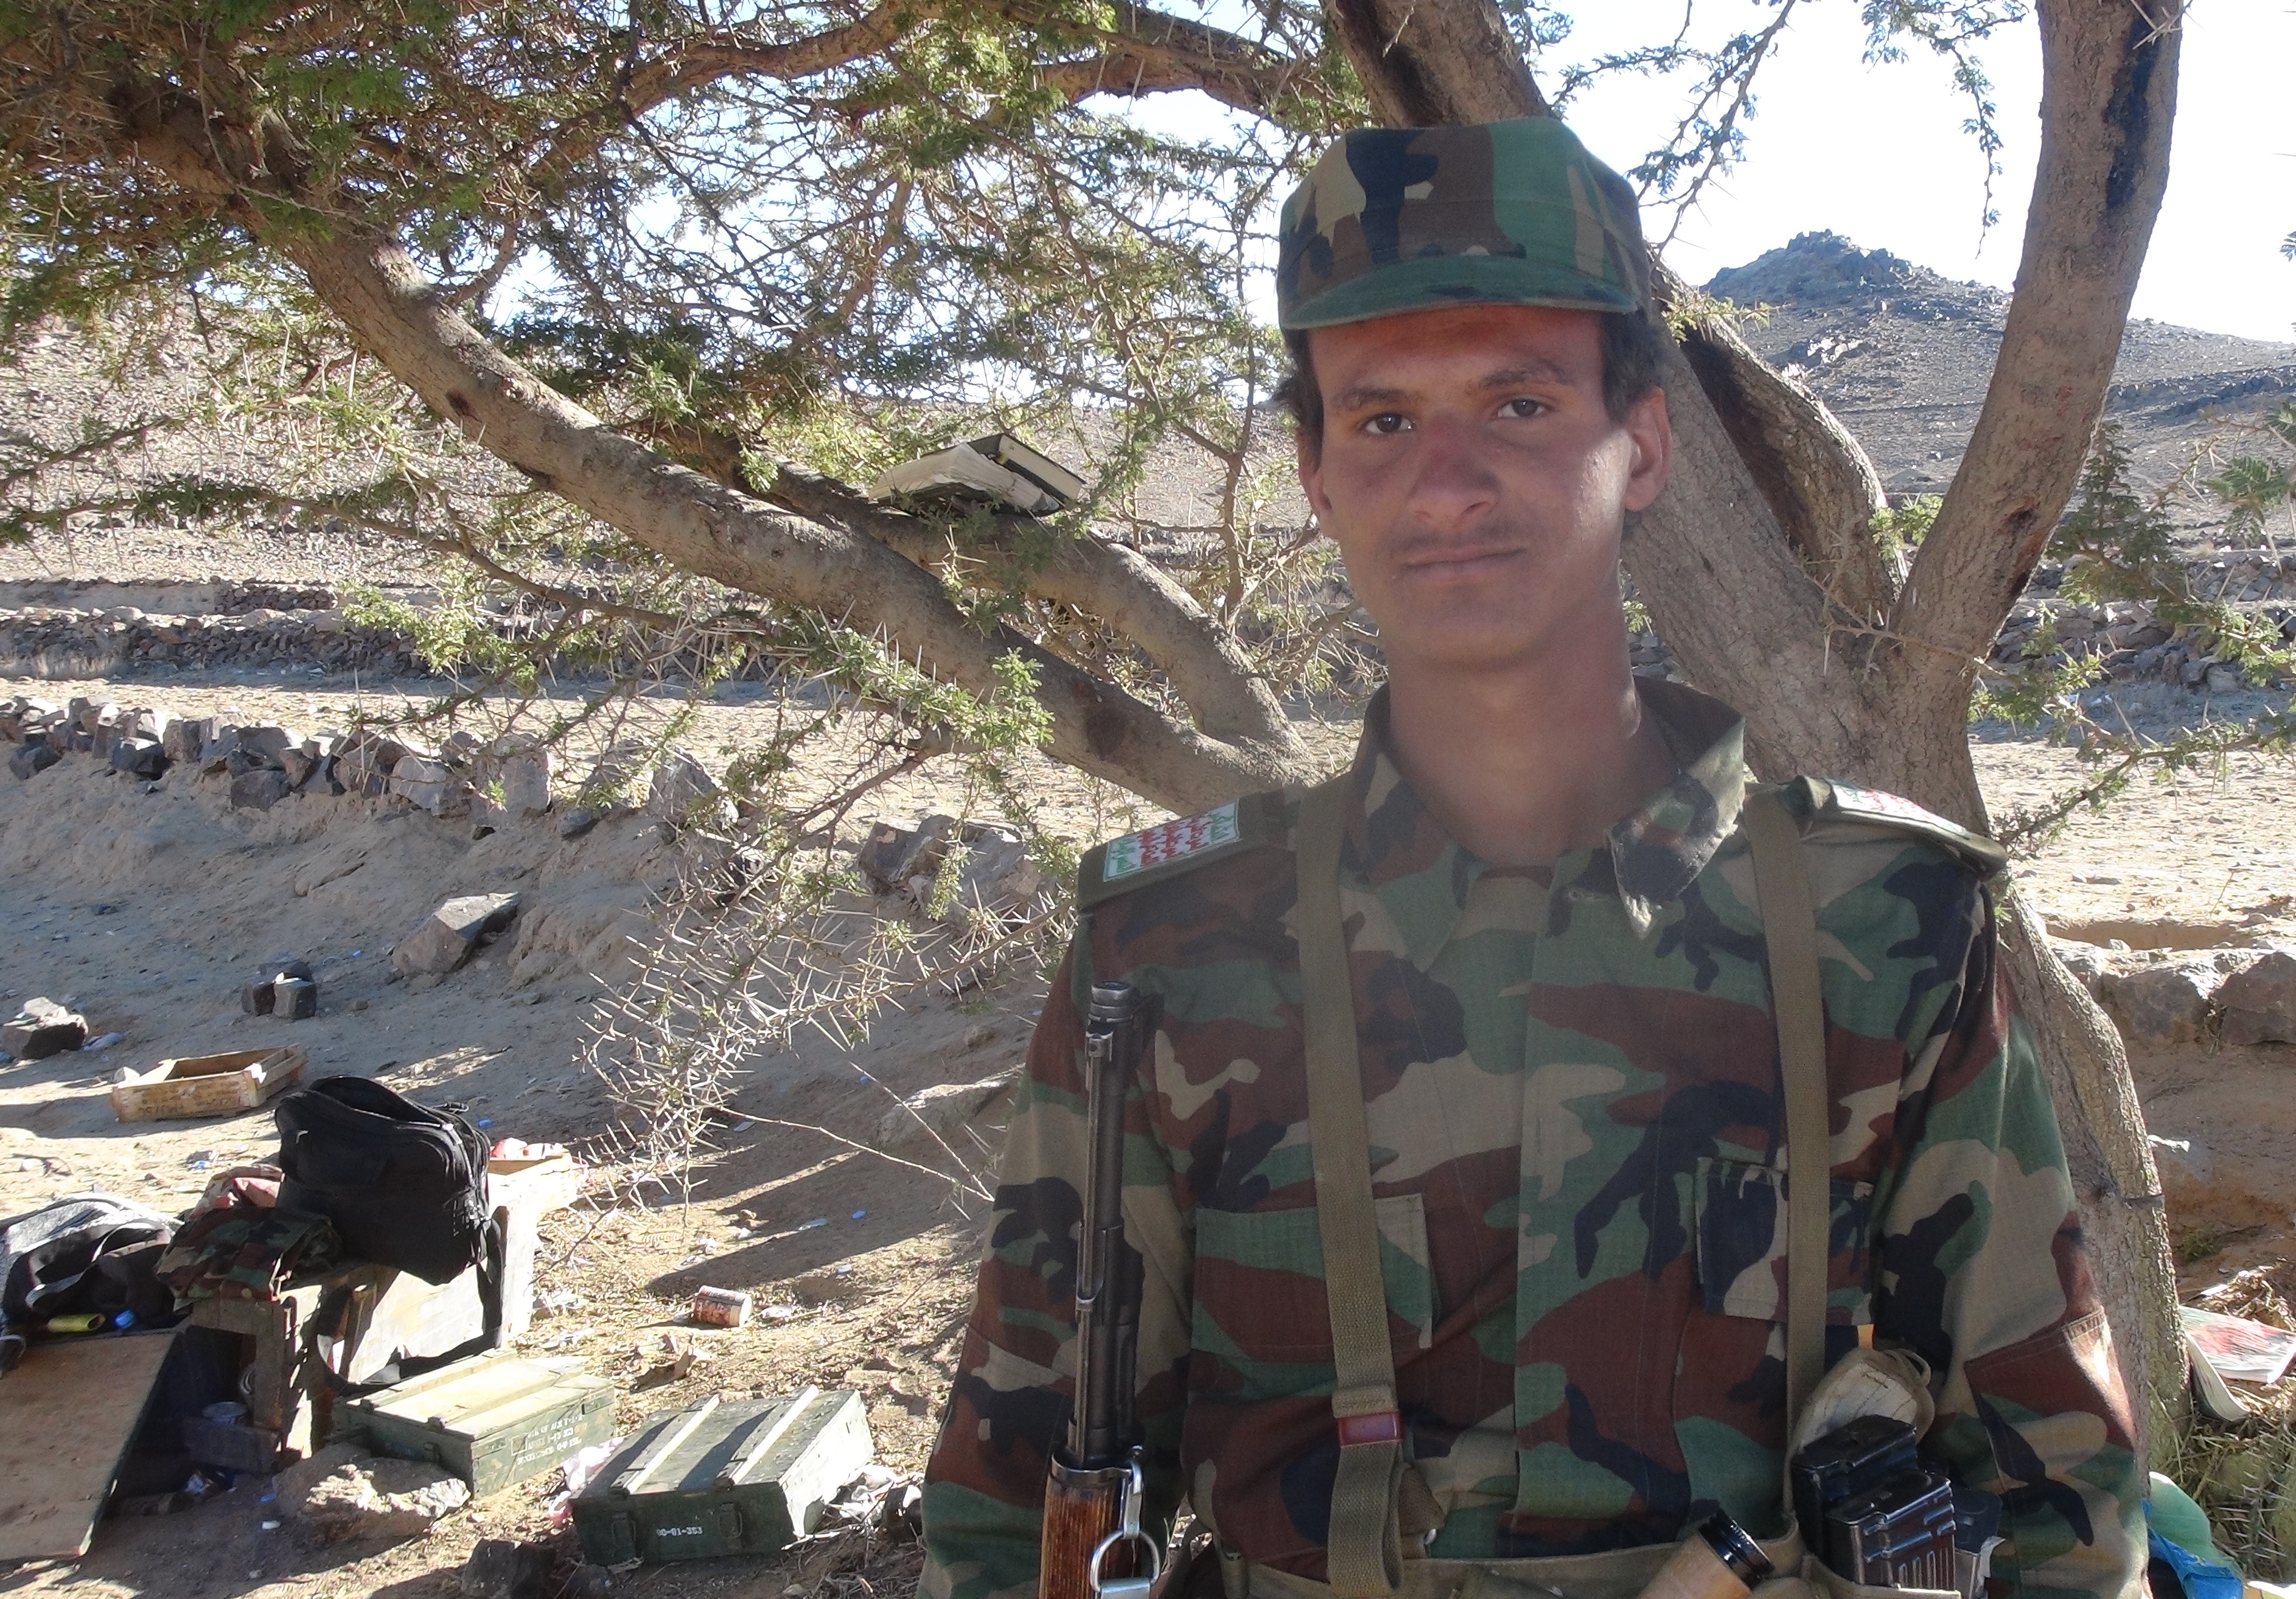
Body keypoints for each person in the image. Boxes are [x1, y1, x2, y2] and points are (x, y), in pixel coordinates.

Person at [919, 118, 2146, 1599]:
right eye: (1381, 420)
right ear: (1314, 474)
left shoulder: (1877, 923)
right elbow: (1016, 1499)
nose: (1447, 483)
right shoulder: (1177, 944)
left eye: (1517, 403)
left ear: (1642, 447)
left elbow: (2049, 1487)